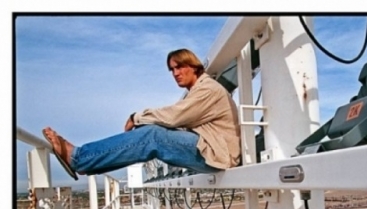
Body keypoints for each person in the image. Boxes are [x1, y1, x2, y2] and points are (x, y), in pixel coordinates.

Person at [43, 48, 241, 180]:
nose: (175, 73)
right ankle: (88, 164)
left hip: (219, 154)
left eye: (180, 67)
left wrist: (135, 117)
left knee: (153, 136)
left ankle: (79, 158)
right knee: (151, 131)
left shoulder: (207, 89)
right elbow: (176, 120)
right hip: (211, 150)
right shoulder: (198, 91)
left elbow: (174, 117)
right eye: (172, 69)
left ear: (194, 66)